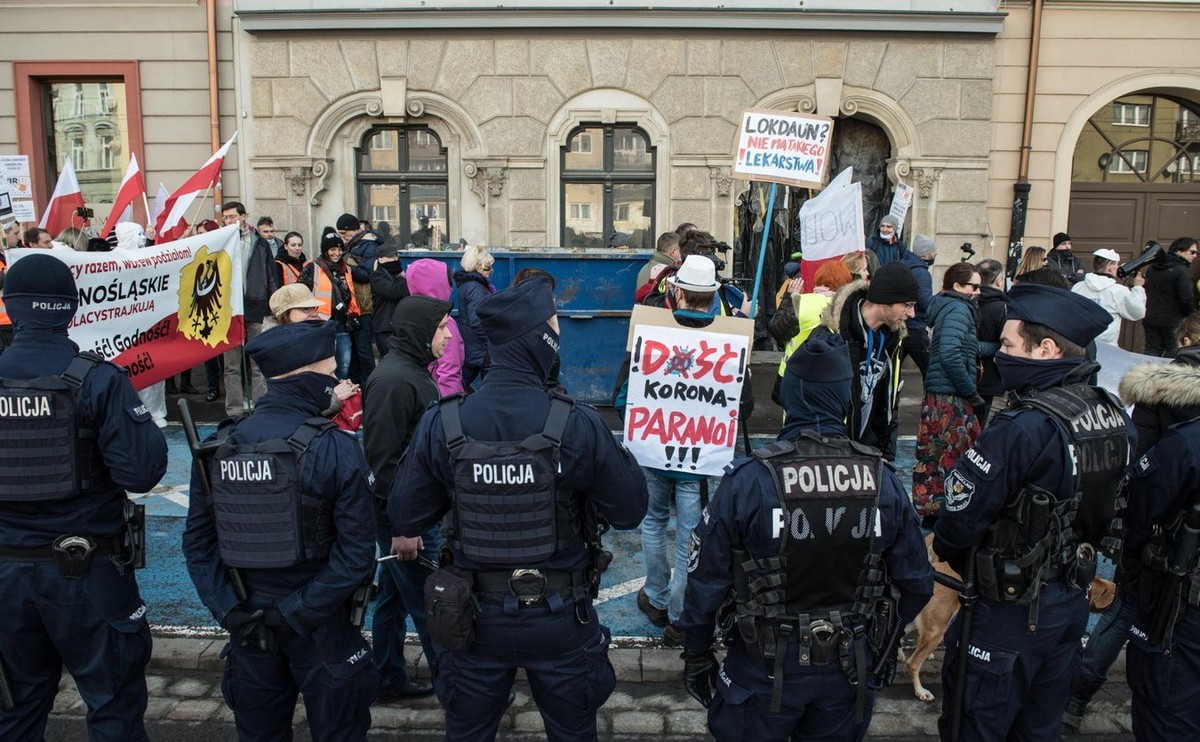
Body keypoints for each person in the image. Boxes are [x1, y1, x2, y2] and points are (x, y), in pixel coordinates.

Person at [388, 276, 648, 741]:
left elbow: (405, 515)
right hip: (561, 618)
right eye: (555, 325)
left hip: (471, 619)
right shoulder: (577, 422)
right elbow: (630, 510)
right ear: (541, 340)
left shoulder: (443, 421)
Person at [679, 332, 933, 740]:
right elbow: (916, 583)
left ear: (790, 397)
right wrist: (880, 646)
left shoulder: (749, 481)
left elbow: (705, 582)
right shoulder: (883, 479)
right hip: (849, 668)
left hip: (760, 669)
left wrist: (696, 654)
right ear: (845, 400)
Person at [932, 283, 1134, 741]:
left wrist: (954, 550)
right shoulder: (1112, 414)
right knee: (1039, 726)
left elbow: (960, 519)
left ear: (1045, 349)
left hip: (1008, 609)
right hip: (1070, 600)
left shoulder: (1024, 426)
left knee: (976, 723)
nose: (999, 355)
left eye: (1007, 344)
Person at [182, 319, 379, 741]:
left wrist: (229, 611)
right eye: (330, 373)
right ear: (307, 378)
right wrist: (298, 613)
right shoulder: (336, 447)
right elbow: (356, 554)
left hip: (248, 622)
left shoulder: (222, 445)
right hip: (320, 624)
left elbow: (199, 544)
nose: (336, 382)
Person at [0, 253, 168, 741]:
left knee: (16, 709)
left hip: (7, 576)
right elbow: (141, 473)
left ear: (11, 307)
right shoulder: (97, 378)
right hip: (85, 572)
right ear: (70, 310)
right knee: (112, 705)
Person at [1063, 311, 1200, 730]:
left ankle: (1076, 693)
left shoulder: (1156, 390)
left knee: (1128, 607)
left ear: (1186, 339)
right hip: (1177, 539)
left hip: (1159, 526)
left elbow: (1141, 458)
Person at [614, 255, 745, 645]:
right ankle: (678, 615)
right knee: (693, 536)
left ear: (678, 292)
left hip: (654, 453)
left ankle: (656, 598)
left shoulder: (650, 333)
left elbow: (623, 398)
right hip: (700, 461)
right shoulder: (731, 338)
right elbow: (743, 404)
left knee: (653, 522)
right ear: (712, 296)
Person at [362, 295, 453, 704]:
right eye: (441, 328)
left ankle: (386, 676)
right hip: (408, 519)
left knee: (394, 600)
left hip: (413, 513)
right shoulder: (395, 380)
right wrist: (404, 527)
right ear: (420, 331)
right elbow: (383, 462)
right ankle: (459, 691)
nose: (448, 336)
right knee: (431, 606)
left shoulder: (412, 371)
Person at [1119, 316, 1200, 739]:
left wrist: (1132, 569)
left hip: (1181, 602)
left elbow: (1142, 509)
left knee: (1166, 710)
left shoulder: (1186, 443)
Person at [811, 261, 918, 462]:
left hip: (868, 453)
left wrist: (886, 455)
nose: (911, 314)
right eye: (907, 305)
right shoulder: (830, 338)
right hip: (830, 455)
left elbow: (889, 405)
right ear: (885, 301)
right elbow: (804, 403)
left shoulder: (893, 341)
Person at [911, 262, 985, 527]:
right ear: (957, 286)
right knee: (957, 455)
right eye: (973, 286)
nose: (978, 291)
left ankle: (931, 514)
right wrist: (969, 389)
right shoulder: (958, 308)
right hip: (951, 397)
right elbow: (950, 352)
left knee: (933, 454)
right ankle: (949, 516)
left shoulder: (948, 306)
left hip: (939, 394)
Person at [219, 201, 280, 416]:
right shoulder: (219, 241)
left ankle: (261, 407)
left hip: (255, 304)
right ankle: (234, 411)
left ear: (244, 217)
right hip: (227, 309)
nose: (229, 221)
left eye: (232, 217)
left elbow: (271, 275)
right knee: (231, 365)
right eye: (225, 218)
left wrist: (273, 304)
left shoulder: (259, 244)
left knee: (258, 361)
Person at [300, 232, 360, 380]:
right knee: (324, 365)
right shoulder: (312, 267)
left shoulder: (346, 269)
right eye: (333, 249)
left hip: (342, 322)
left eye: (339, 250)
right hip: (321, 322)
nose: (337, 253)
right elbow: (301, 291)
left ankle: (342, 396)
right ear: (325, 251)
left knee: (344, 365)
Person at [407, 258, 465, 396]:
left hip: (417, 393)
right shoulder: (444, 322)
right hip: (439, 397)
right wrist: (451, 406)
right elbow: (449, 372)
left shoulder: (408, 316)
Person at [336, 212, 381, 383]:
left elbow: (366, 274)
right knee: (353, 354)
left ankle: (370, 389)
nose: (342, 237)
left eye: (344, 233)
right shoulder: (353, 246)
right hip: (352, 306)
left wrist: (344, 266)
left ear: (354, 231)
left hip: (363, 306)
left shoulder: (368, 246)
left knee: (364, 353)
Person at [1071, 248, 1146, 345]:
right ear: (1110, 268)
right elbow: (1138, 312)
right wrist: (1138, 288)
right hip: (1107, 347)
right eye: (1116, 264)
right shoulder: (1118, 291)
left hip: (1080, 344)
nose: (1118, 267)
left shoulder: (1078, 287)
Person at [1143, 237, 1198, 357]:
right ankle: (1166, 376)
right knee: (1173, 353)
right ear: (1179, 251)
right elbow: (1186, 298)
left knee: (1151, 351)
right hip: (1173, 322)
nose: (1195, 256)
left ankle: (1145, 375)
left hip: (1151, 318)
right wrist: (1190, 316)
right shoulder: (1182, 271)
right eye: (1192, 252)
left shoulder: (1153, 267)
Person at [454, 244, 496, 386]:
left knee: (462, 382)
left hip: (471, 343)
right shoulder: (476, 287)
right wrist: (492, 340)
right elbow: (477, 320)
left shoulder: (468, 284)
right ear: (477, 266)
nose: (491, 271)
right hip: (478, 345)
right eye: (488, 267)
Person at [899, 234, 937, 377]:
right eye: (933, 251)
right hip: (915, 327)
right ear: (926, 255)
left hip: (901, 326)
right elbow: (925, 301)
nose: (936, 253)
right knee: (930, 370)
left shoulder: (905, 264)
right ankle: (932, 399)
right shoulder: (922, 273)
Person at [975, 258, 1007, 424]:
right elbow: (1007, 345)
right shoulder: (1003, 308)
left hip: (969, 377)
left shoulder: (968, 303)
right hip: (992, 380)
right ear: (999, 281)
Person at [369, 242, 409, 355]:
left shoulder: (395, 275)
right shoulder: (377, 276)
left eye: (396, 255)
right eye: (391, 256)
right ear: (380, 260)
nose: (395, 259)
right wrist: (402, 277)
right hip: (385, 327)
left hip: (398, 325)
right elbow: (393, 292)